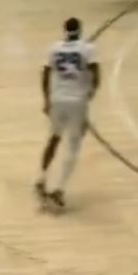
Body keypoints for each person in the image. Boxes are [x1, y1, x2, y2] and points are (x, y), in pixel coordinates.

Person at [37, 17, 100, 209]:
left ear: (64, 30)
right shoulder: (87, 48)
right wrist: (91, 92)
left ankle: (41, 179)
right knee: (73, 145)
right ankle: (59, 188)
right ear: (80, 30)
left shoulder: (54, 48)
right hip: (77, 101)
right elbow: (95, 74)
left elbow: (46, 74)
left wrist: (46, 99)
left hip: (57, 98)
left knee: (54, 138)